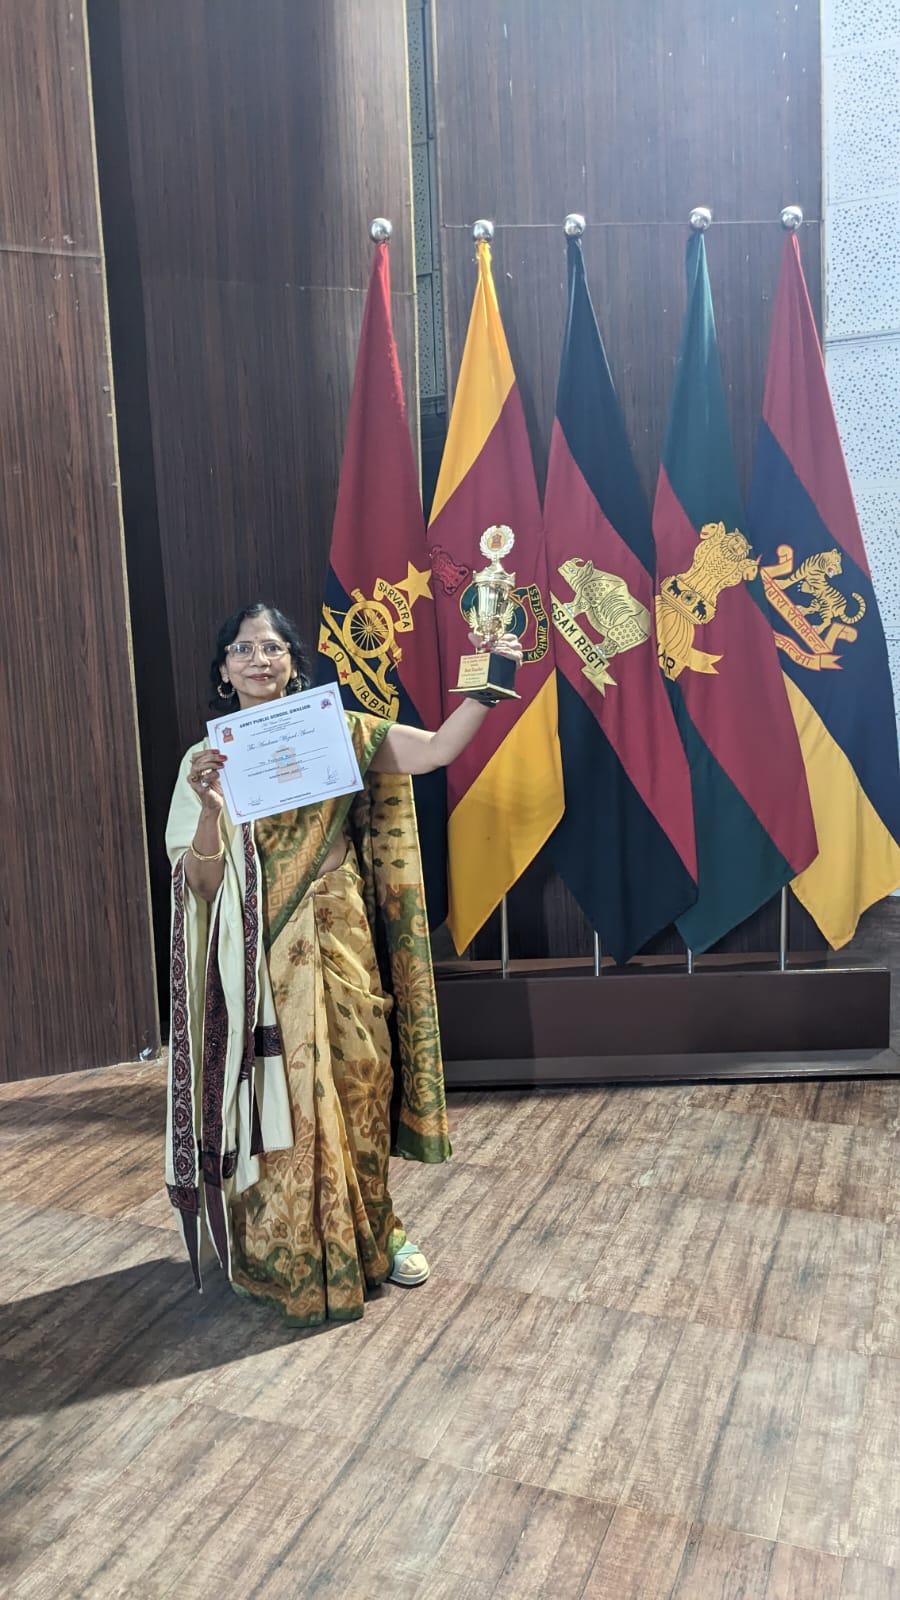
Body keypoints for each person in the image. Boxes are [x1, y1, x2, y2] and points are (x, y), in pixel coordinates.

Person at [165, 601, 520, 1327]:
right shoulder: (207, 762)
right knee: (281, 1098)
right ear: (224, 674)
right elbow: (199, 887)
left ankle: (378, 1230)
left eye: (272, 647)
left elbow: (435, 751)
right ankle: (283, 1246)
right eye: (241, 650)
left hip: (342, 931)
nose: (258, 659)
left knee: (362, 1077)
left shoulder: (338, 731)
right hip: (261, 953)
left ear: (295, 662)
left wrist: (492, 674)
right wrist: (208, 805)